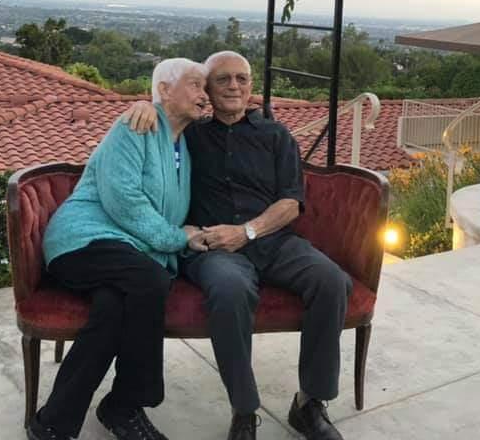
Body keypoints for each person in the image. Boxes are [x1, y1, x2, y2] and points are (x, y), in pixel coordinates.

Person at [125, 50, 351, 440]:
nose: (234, 86)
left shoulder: (276, 136)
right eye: (223, 79)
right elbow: (164, 109)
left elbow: (291, 202)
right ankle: (244, 410)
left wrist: (247, 231)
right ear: (207, 89)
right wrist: (143, 104)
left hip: (273, 239)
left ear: (251, 87)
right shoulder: (188, 133)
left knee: (331, 280)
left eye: (241, 79)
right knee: (229, 289)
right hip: (212, 247)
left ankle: (310, 403)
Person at [27, 58, 209, 440]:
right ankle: (127, 405)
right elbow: (124, 199)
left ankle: (53, 424)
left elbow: (234, 115)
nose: (203, 94)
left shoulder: (185, 143)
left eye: (204, 86)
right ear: (162, 90)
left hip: (125, 254)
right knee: (150, 280)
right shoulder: (134, 126)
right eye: (195, 84)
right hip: (83, 241)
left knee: (112, 309)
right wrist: (179, 238)